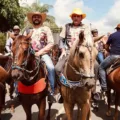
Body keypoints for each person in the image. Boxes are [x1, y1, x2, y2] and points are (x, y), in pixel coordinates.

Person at [26, 12, 56, 102]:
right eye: (34, 17)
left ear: (41, 19)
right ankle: (18, 91)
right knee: (17, 67)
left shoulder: (45, 29)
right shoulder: (27, 30)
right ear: (32, 19)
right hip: (29, 55)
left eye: (38, 17)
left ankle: (52, 91)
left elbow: (51, 43)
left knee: (51, 68)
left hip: (43, 54)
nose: (36, 18)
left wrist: (40, 52)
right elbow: (22, 42)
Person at [55, 8, 92, 74]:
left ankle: (94, 83)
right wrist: (63, 51)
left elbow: (88, 40)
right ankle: (57, 84)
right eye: (74, 16)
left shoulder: (86, 27)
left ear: (81, 18)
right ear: (72, 18)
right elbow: (61, 40)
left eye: (78, 16)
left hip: (82, 52)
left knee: (96, 66)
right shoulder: (66, 26)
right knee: (57, 68)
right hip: (68, 52)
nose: (76, 18)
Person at [99, 23, 120, 92]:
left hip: (114, 56)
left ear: (116, 29)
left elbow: (106, 46)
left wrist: (109, 51)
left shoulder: (112, 35)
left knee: (101, 67)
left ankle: (104, 87)